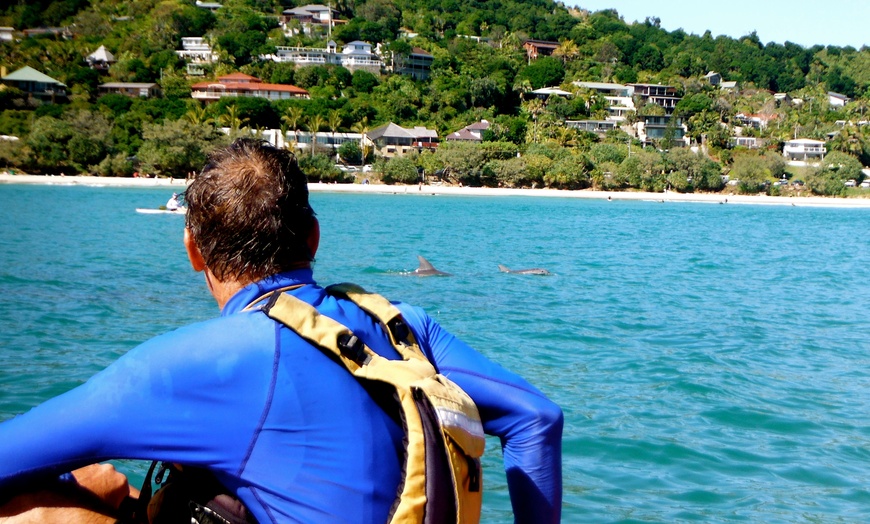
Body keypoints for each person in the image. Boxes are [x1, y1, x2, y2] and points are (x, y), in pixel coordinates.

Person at [0, 139, 563, 523]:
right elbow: (536, 419)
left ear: (194, 252)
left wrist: (82, 488)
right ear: (314, 238)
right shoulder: (404, 325)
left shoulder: (190, 364)